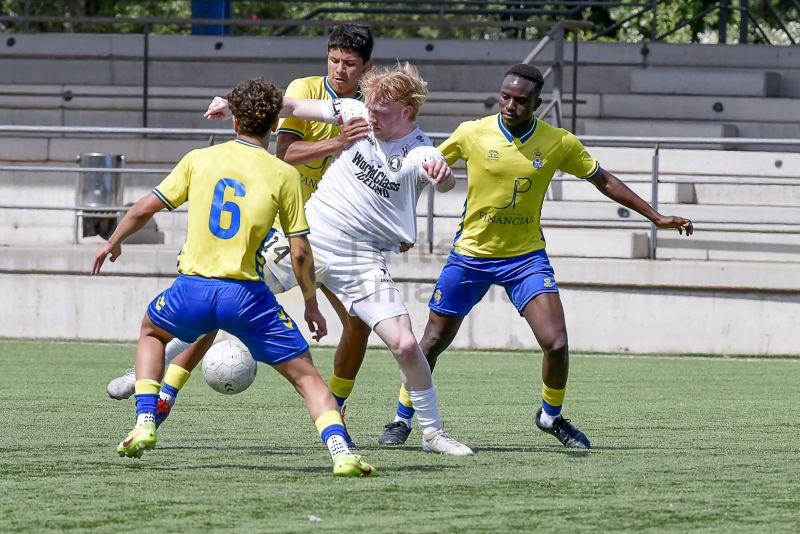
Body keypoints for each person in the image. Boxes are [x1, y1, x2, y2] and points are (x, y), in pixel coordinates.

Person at [156, 63, 474, 456]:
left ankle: (432, 433)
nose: (370, 116)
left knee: (406, 344)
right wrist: (231, 102)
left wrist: (442, 174)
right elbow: (288, 104)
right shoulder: (355, 113)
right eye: (369, 107)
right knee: (222, 291)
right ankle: (150, 369)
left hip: (361, 257)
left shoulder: (419, 149)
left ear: (407, 111)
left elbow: (441, 177)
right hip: (312, 238)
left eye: (381, 111)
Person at [378, 63, 695, 449]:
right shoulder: (472, 132)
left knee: (557, 343)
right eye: (505, 97)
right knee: (431, 343)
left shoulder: (558, 141)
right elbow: (421, 171)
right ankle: (402, 417)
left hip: (525, 258)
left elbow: (605, 180)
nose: (511, 105)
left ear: (537, 104)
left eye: (521, 100)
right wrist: (400, 226)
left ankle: (550, 416)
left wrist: (656, 216)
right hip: (470, 255)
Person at [92, 77, 375, 476]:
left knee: (152, 334)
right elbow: (299, 251)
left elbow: (144, 208)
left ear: (234, 122)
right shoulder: (284, 174)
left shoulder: (198, 159)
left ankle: (144, 422)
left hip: (192, 288)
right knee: (307, 376)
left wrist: (113, 241)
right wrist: (311, 303)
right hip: (246, 297)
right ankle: (341, 453)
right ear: (275, 124)